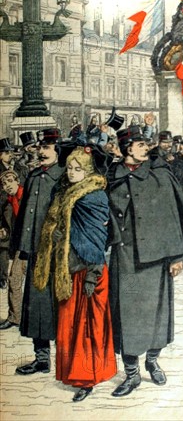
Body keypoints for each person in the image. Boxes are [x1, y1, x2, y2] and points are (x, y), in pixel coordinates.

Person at [107, 125, 183, 398]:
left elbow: (173, 216)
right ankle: (132, 375)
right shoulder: (112, 177)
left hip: (157, 257)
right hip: (125, 258)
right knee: (127, 318)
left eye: (147, 144)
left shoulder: (160, 175)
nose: (147, 148)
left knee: (158, 317)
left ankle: (153, 360)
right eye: (140, 144)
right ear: (127, 149)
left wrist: (176, 256)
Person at [33, 144, 117, 402]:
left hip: (88, 271)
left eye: (77, 168)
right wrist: (59, 238)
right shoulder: (68, 193)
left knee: (87, 328)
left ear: (88, 170)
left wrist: (92, 272)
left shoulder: (93, 196)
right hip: (70, 268)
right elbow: (68, 229)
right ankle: (75, 374)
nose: (71, 172)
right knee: (71, 326)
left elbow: (97, 237)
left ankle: (88, 378)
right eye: (69, 167)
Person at [13, 128, 64, 375]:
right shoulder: (33, 176)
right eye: (40, 147)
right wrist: (21, 246)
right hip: (34, 250)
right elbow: (24, 214)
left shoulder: (64, 177)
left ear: (57, 150)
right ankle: (42, 358)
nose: (41, 152)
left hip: (57, 253)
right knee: (36, 306)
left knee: (61, 306)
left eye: (47, 148)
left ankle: (66, 361)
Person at [0, 170, 26, 329]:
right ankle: (15, 317)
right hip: (21, 248)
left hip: (36, 246)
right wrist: (4, 232)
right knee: (14, 279)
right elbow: (9, 228)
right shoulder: (9, 203)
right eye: (4, 184)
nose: (7, 185)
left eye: (10, 181)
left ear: (17, 181)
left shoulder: (28, 197)